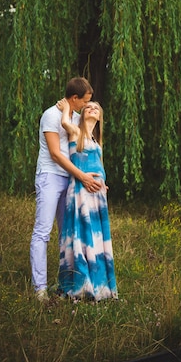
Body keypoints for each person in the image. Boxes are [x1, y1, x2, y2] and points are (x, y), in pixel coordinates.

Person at [30, 77, 102, 302]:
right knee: (42, 232)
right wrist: (80, 175)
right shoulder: (51, 115)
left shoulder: (76, 117)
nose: (86, 105)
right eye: (85, 101)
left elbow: (85, 148)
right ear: (74, 98)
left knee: (68, 234)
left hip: (71, 181)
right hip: (51, 176)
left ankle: (66, 284)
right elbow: (55, 154)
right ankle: (39, 288)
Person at [56, 97, 118, 301]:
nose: (92, 109)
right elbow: (65, 123)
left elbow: (98, 164)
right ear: (82, 114)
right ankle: (81, 283)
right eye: (88, 107)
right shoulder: (77, 131)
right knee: (81, 233)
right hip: (81, 190)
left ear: (99, 117)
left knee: (97, 236)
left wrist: (104, 183)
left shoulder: (95, 140)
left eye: (95, 109)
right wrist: (66, 108)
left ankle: (98, 280)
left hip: (97, 195)